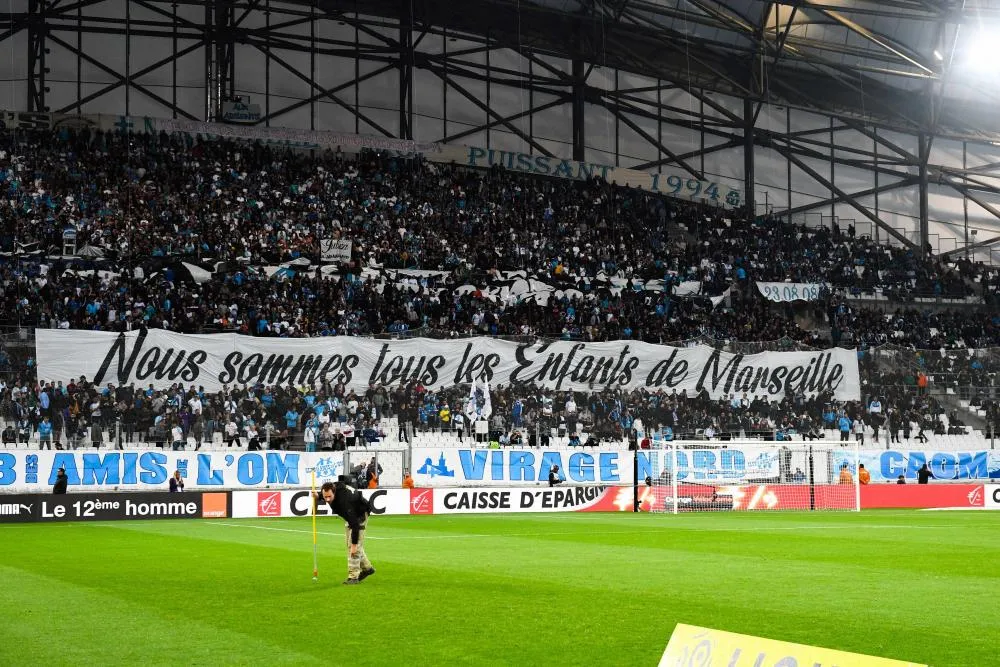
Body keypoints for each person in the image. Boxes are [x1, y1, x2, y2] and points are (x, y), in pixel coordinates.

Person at [315, 479, 375, 585]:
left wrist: (354, 545)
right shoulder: (334, 487)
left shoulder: (344, 502)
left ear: (334, 492)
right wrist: (318, 496)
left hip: (360, 514)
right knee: (350, 545)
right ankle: (367, 568)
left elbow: (355, 525)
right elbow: (326, 494)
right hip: (351, 514)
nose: (327, 499)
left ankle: (353, 577)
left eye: (329, 497)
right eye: (325, 497)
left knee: (353, 547)